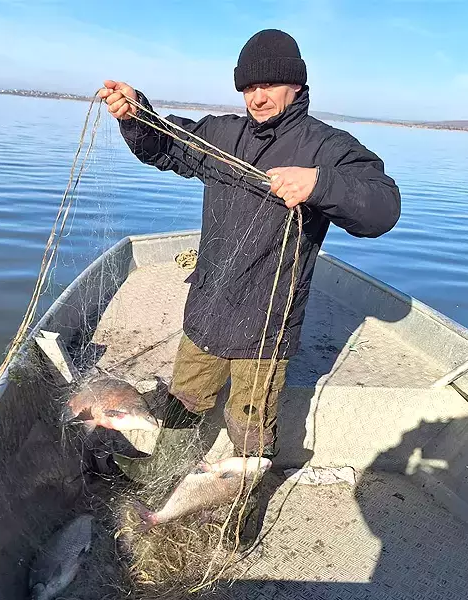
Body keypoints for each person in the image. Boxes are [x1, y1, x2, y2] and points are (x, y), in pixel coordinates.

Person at [99, 29, 401, 461]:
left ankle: (239, 510)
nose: (258, 98)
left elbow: (383, 208)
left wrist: (320, 183)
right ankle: (163, 481)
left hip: (266, 327)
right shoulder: (223, 135)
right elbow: (166, 143)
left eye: (269, 86)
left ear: (296, 84)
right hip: (206, 312)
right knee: (182, 404)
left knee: (249, 428)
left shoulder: (328, 147)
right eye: (249, 88)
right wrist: (134, 114)